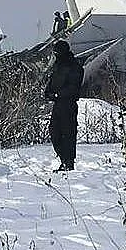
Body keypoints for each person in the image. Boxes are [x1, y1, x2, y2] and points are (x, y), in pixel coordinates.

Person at [46, 40, 84, 171]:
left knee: (68, 134)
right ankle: (64, 159)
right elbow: (52, 81)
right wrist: (48, 92)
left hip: (68, 104)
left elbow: (73, 87)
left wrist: (58, 94)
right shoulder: (58, 66)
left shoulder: (75, 67)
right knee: (54, 132)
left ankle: (68, 162)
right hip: (58, 104)